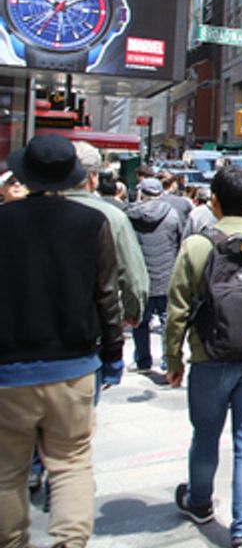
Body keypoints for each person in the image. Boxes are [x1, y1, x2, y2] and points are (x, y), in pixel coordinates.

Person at [0, 134, 124, 548]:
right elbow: (107, 295)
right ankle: (70, 542)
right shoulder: (92, 223)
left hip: (9, 369)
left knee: (6, 473)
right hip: (73, 367)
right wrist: (113, 355)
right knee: (71, 466)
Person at [165, 166, 242, 548]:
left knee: (205, 436)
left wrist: (174, 360)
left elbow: (177, 311)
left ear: (214, 201)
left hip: (207, 358)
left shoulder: (198, 246)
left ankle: (200, 502)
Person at [67, 142, 149, 326]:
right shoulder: (113, 217)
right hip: (93, 324)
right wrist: (132, 312)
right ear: (93, 177)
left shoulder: (35, 210)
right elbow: (133, 277)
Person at [127, 177, 185, 372]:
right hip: (167, 274)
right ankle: (169, 362)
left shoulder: (132, 216)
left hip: (142, 276)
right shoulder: (172, 215)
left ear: (142, 193)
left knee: (141, 322)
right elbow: (180, 242)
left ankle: (143, 360)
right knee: (167, 322)